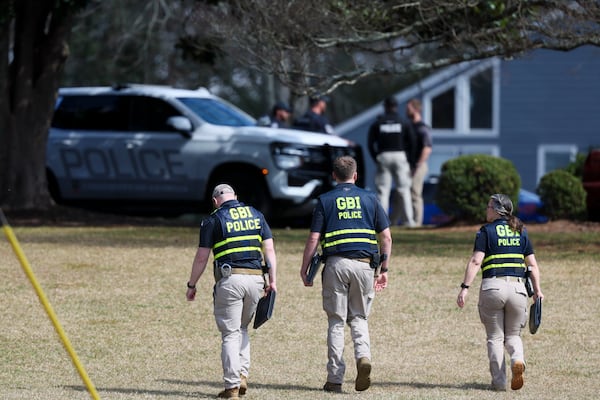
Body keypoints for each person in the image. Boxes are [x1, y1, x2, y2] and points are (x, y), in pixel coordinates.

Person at [300, 155, 392, 394]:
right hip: (364, 266)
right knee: (359, 317)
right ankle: (363, 357)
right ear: (356, 175)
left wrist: (305, 267)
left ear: (334, 176)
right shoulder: (370, 198)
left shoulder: (325, 200)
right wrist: (384, 269)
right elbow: (386, 237)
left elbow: (313, 238)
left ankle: (335, 379)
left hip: (336, 265)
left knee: (336, 322)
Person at [186, 183, 277, 399]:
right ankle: (242, 374)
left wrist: (192, 284)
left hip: (230, 280)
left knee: (230, 333)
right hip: (256, 280)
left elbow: (202, 256)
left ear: (215, 200)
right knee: (242, 328)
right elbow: (270, 249)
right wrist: (272, 281)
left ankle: (232, 387)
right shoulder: (256, 213)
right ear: (235, 196)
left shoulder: (213, 219)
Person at [456, 193, 544, 392]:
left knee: (495, 338)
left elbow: (476, 261)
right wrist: (537, 291)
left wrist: (465, 288)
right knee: (513, 335)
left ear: (497, 210)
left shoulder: (486, 231)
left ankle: (498, 383)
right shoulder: (521, 230)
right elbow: (532, 265)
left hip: (493, 288)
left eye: (488, 207)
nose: (486, 210)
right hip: (518, 289)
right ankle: (517, 359)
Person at [367, 96, 416, 227]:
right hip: (400, 155)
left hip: (383, 155)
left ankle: (382, 223)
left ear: (385, 106)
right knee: (404, 189)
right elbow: (412, 142)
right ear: (396, 106)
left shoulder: (378, 122)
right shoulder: (403, 122)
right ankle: (408, 221)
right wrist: (411, 162)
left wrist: (375, 157)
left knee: (383, 191)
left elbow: (370, 143)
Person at [406, 98, 432, 227]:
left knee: (415, 193)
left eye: (409, 108)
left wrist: (418, 164)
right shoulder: (408, 127)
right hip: (408, 165)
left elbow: (427, 148)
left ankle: (417, 222)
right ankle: (400, 221)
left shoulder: (422, 128)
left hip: (418, 165)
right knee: (404, 193)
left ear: (416, 109)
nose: (406, 110)